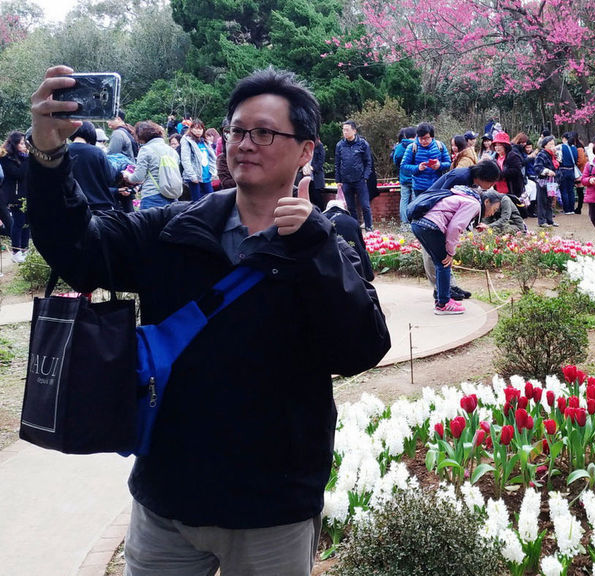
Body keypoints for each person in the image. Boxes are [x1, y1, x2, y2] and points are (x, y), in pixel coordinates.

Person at [29, 65, 391, 573]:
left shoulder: (330, 238)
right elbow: (81, 252)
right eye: (238, 131)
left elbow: (361, 348)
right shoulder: (176, 228)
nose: (245, 143)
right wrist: (48, 159)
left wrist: (315, 254)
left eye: (264, 132)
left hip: (273, 506)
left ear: (306, 150)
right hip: (168, 499)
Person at [410, 185, 492, 315]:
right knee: (444, 262)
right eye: (495, 208)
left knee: (440, 263)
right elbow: (454, 227)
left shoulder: (463, 195)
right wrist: (450, 251)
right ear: (487, 202)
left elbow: (452, 217)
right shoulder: (474, 204)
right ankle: (444, 304)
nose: (493, 213)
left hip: (419, 224)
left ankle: (441, 299)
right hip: (431, 226)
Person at [122, 121, 181, 210]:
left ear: (141, 136)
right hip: (172, 196)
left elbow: (138, 177)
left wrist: (127, 176)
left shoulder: (146, 150)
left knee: (150, 224)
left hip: (152, 197)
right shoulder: (172, 151)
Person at [66, 121, 119, 211]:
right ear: (91, 133)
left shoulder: (64, 152)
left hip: (73, 207)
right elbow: (110, 178)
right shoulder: (97, 152)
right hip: (100, 207)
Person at [334, 120, 374, 230]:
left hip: (360, 179)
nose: (345, 132)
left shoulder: (362, 144)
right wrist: (338, 180)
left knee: (365, 205)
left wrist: (365, 177)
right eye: (343, 130)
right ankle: (355, 228)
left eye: (347, 130)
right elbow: (337, 163)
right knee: (351, 207)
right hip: (346, 181)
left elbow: (368, 162)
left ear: (354, 131)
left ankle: (369, 227)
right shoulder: (340, 145)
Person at [0, 131, 30, 262]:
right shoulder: (6, 157)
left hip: (26, 194)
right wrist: (28, 159)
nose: (25, 146)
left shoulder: (23, 158)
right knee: (18, 222)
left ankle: (25, 249)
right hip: (14, 196)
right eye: (22, 143)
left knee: (27, 223)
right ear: (15, 144)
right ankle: (16, 251)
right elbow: (17, 173)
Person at [401, 122, 451, 198]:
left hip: (437, 185)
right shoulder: (412, 147)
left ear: (432, 136)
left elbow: (448, 163)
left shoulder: (440, 146)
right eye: (421, 138)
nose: (423, 141)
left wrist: (440, 165)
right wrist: (417, 168)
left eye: (426, 138)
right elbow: (403, 166)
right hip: (419, 187)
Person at [180, 119, 217, 202]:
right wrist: (192, 176)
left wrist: (214, 172)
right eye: (196, 128)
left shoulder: (205, 141)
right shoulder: (187, 140)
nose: (198, 131)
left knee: (211, 199)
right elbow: (185, 159)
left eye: (200, 129)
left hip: (206, 175)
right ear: (191, 129)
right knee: (197, 201)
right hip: (195, 176)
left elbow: (211, 158)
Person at [532, 135, 560, 228]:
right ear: (545, 145)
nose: (553, 146)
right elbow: (537, 167)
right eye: (550, 144)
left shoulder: (553, 155)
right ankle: (542, 221)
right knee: (542, 201)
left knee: (549, 201)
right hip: (543, 182)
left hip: (551, 182)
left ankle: (550, 220)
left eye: (553, 144)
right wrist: (547, 171)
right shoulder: (541, 154)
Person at [392, 127, 416, 228]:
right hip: (415, 177)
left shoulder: (399, 147)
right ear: (415, 135)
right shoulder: (417, 145)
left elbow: (395, 160)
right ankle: (414, 221)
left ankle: (404, 223)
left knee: (404, 200)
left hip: (404, 177)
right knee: (415, 200)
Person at [491, 131, 525, 202]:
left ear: (505, 145)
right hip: (498, 189)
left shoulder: (513, 156)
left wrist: (500, 175)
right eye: (496, 145)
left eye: (500, 145)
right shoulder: (495, 157)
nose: (497, 148)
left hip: (512, 189)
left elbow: (516, 170)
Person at [556, 132, 580, 215]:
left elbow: (558, 159)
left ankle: (566, 209)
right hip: (572, 170)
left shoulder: (560, 147)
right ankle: (572, 209)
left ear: (564, 139)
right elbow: (576, 159)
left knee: (564, 190)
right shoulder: (574, 148)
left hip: (563, 170)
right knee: (571, 190)